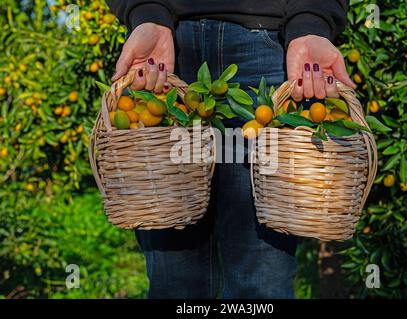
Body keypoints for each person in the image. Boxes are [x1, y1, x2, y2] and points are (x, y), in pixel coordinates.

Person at [106, 0, 355, 299]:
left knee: (261, 285)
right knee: (175, 285)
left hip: (268, 40)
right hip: (166, 51)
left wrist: (311, 22)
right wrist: (146, 11)